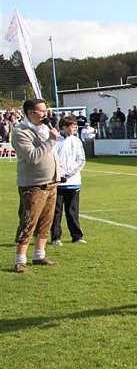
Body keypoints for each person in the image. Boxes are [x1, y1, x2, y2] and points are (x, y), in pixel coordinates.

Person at [11, 98, 63, 273]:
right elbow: (33, 157)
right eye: (41, 111)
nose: (45, 113)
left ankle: (39, 255)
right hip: (33, 185)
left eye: (46, 110)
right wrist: (51, 141)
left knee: (46, 222)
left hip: (51, 182)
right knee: (28, 222)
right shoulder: (20, 132)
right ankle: (20, 260)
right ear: (30, 113)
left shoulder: (45, 129)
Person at [51, 115, 87, 246]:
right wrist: (59, 173)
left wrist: (68, 174)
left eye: (75, 126)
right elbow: (51, 158)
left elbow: (81, 160)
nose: (75, 128)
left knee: (72, 211)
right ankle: (56, 237)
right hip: (57, 182)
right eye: (72, 126)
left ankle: (76, 236)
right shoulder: (54, 140)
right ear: (64, 127)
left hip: (73, 181)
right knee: (56, 211)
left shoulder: (76, 141)